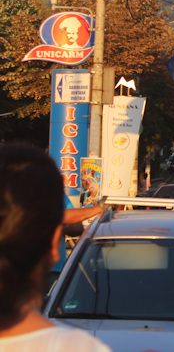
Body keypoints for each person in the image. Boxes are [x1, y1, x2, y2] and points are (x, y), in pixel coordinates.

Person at [0, 144, 110, 351]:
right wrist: (98, 209)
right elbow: (61, 217)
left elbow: (69, 223)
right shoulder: (78, 347)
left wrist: (81, 223)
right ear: (53, 246)